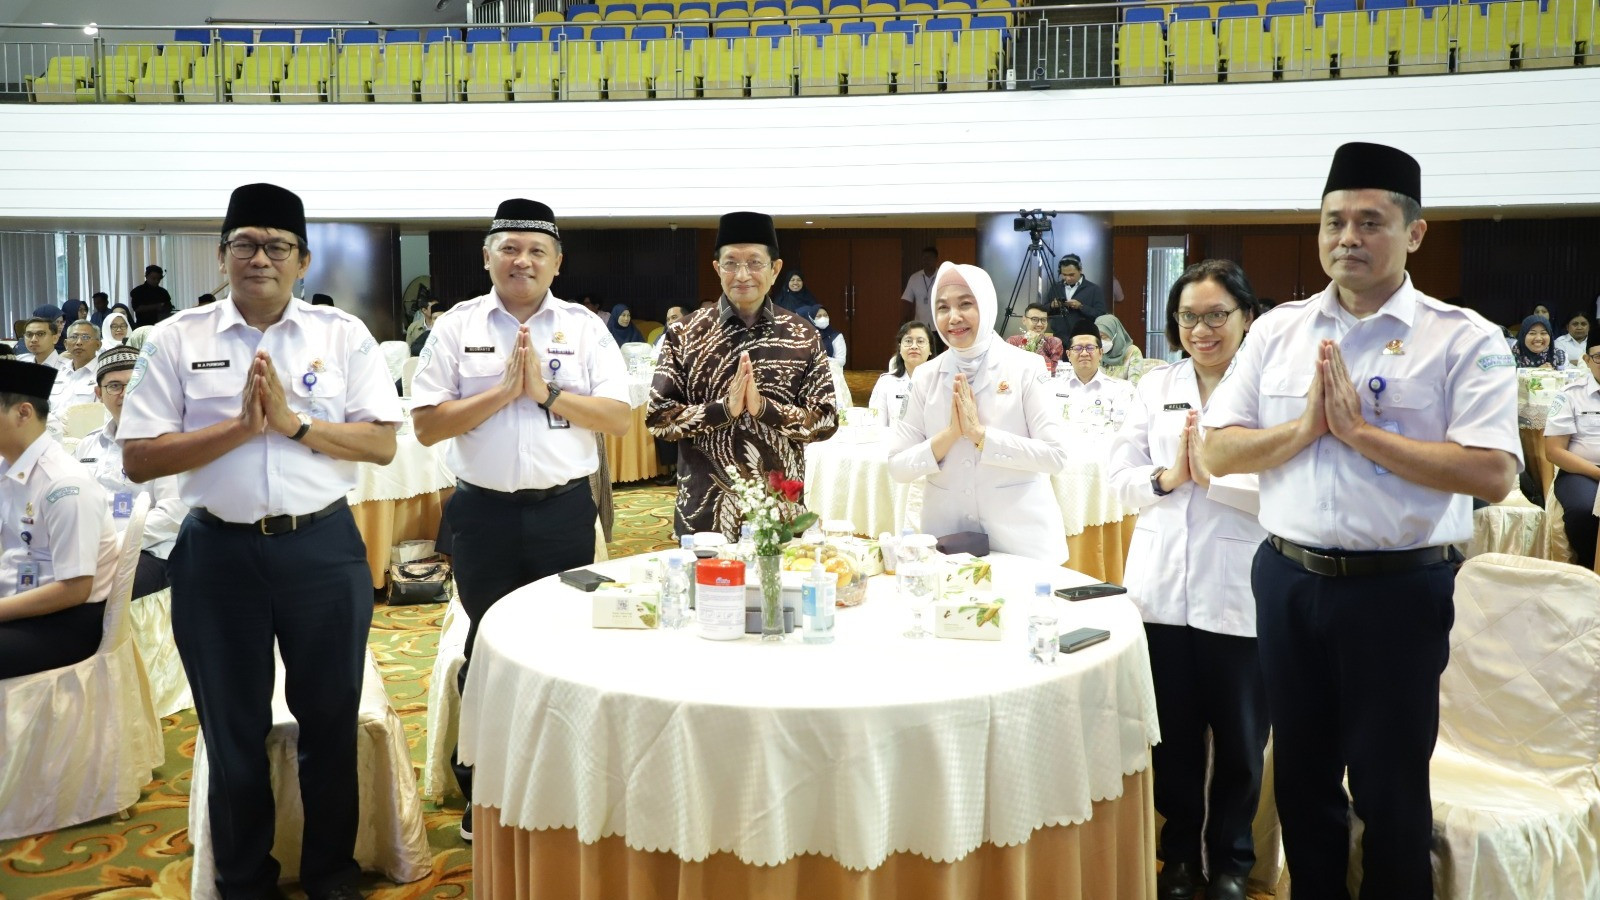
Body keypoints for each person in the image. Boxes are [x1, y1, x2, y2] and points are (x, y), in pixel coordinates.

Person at [1202, 142, 1520, 900]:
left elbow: (1495, 472)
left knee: (1389, 787)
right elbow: (1216, 450)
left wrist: (1362, 435)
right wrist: (1305, 431)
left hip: (1396, 593)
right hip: (1286, 580)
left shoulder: (1463, 337)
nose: (1348, 236)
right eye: (1334, 221)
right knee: (1303, 780)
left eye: (1370, 222)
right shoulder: (1278, 331)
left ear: (1414, 234)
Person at [120, 182, 401, 900]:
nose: (259, 258)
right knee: (233, 730)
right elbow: (140, 456)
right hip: (218, 555)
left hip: (322, 550)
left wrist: (295, 425)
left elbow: (379, 444)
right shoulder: (176, 338)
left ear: (303, 261)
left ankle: (332, 874)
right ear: (221, 256)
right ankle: (245, 879)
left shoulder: (344, 338)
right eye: (244, 244)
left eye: (277, 246)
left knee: (331, 723)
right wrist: (241, 428)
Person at [410, 198, 632, 841]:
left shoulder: (585, 328)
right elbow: (425, 426)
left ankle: (564, 780)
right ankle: (485, 789)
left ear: (557, 263)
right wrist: (503, 393)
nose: (522, 260)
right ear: (487, 258)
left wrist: (546, 394)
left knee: (565, 643)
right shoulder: (456, 328)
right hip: (482, 514)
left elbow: (618, 417)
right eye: (509, 248)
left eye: (537, 250)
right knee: (491, 642)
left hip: (563, 510)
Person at [1108, 259, 1267, 900]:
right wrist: (1166, 478)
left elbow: (1290, 488)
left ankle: (1230, 861)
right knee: (1171, 736)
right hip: (1161, 594)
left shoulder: (1268, 390)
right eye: (1188, 317)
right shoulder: (1154, 388)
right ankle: (1177, 858)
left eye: (1216, 315)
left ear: (1245, 318)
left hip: (1241, 594)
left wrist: (1216, 479)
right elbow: (1117, 478)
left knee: (1240, 739)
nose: (1201, 329)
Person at [648, 211, 838, 537]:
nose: (742, 274)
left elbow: (827, 420)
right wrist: (723, 410)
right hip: (705, 513)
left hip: (780, 510)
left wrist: (765, 409)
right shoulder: (684, 333)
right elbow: (658, 419)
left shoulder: (801, 334)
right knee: (706, 588)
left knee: (779, 588)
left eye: (755, 262)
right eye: (731, 263)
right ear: (716, 269)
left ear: (775, 269)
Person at [887, 262, 1069, 563]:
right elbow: (898, 467)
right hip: (948, 541)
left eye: (966, 304)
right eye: (943, 307)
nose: (953, 317)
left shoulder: (1026, 367)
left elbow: (1056, 456)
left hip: (1021, 542)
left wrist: (980, 435)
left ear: (985, 305)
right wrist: (949, 437)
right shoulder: (925, 376)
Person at [0, 359, 119, 680]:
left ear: (23, 413)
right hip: (18, 600)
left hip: (66, 619)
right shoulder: (6, 469)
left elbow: (74, 589)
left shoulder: (63, 484)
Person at [73, 346, 187, 598]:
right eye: (114, 386)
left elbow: (173, 514)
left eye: (134, 383)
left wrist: (115, 543)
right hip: (91, 548)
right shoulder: (87, 445)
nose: (125, 393)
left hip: (149, 551)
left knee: (97, 592)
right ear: (98, 394)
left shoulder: (168, 442)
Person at [1543, 332, 1600, 570]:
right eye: (1599, 357)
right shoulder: (1569, 394)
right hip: (1581, 472)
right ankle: (1589, 568)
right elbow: (1554, 452)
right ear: (1586, 360)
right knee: (1583, 510)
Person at [1055, 321, 1136, 428]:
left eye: (1090, 348)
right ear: (1068, 355)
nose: (1084, 353)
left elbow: (1121, 431)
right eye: (1078, 348)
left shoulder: (1119, 390)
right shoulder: (1053, 388)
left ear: (1101, 353)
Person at [868, 321, 933, 425]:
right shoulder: (885, 382)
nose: (914, 346)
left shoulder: (940, 382)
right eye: (908, 341)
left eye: (920, 341)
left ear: (931, 349)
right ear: (900, 348)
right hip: (893, 440)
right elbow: (876, 425)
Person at [47, 321, 101, 436]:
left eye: (86, 337)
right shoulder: (57, 373)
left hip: (86, 438)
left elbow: (101, 417)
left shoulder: (103, 374)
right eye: (74, 337)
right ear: (66, 344)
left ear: (98, 345)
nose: (79, 342)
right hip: (52, 437)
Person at [1043, 254, 1107, 337]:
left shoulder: (1093, 289)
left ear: (1080, 270)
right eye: (1064, 275)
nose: (1068, 278)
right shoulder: (1056, 287)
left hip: (1084, 337)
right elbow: (1043, 310)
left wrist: (1081, 307)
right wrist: (1052, 305)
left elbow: (1101, 315)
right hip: (1058, 337)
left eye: (1071, 275)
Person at [1005, 302, 1064, 375]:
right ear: (1024, 320)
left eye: (1044, 320)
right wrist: (1029, 343)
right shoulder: (1013, 341)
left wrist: (1035, 345)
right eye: (1034, 319)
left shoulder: (1054, 342)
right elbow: (1008, 369)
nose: (1039, 324)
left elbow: (1053, 370)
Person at [1097, 313, 1147, 381]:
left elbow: (1134, 384)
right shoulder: (1096, 352)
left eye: (1103, 337)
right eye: (1097, 337)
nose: (1100, 341)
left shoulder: (1132, 352)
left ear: (1114, 335)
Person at [901, 246, 939, 325]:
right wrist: (903, 319)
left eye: (929, 258)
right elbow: (907, 300)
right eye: (924, 258)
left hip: (939, 325)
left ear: (936, 260)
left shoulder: (943, 277)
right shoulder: (914, 278)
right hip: (920, 324)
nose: (926, 261)